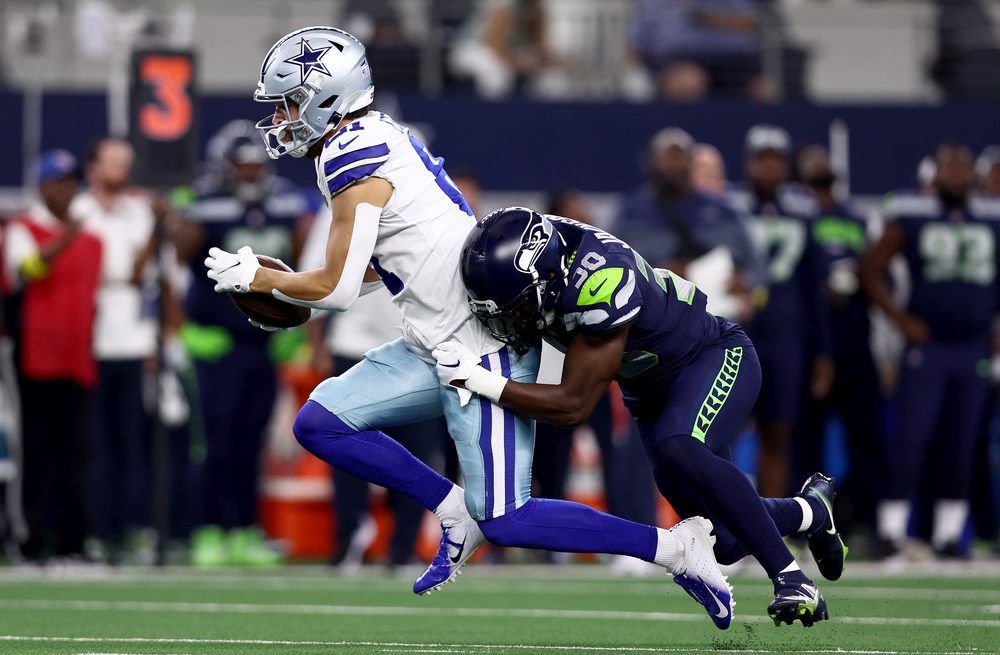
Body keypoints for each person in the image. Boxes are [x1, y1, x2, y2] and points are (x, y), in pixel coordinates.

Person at [204, 26, 730, 626]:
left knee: (508, 518)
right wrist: (290, 284)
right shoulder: (366, 139)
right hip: (435, 339)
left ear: (327, 97)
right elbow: (390, 263)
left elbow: (338, 288)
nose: (280, 117)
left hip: (482, 350)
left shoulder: (351, 154)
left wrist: (261, 278)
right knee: (322, 422)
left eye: (289, 102)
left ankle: (674, 549)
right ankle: (452, 510)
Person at [439, 207, 843, 626]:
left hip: (711, 356)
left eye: (518, 308)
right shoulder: (543, 255)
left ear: (547, 277)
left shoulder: (598, 281)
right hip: (650, 392)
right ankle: (810, 510)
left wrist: (478, 380)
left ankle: (793, 579)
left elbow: (572, 405)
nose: (512, 319)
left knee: (678, 445)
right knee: (721, 537)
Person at [175, 120, 311, 567]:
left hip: (262, 342)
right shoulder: (204, 204)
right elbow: (177, 254)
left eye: (256, 165)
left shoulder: (285, 203)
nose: (251, 174)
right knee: (214, 442)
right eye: (242, 166)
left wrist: (298, 329)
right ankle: (207, 529)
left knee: (251, 442)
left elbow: (305, 254)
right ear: (224, 167)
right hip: (215, 344)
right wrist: (181, 214)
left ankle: (243, 530)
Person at [861, 143, 1000, 559]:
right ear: (934, 177)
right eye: (948, 169)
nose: (956, 176)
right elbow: (869, 269)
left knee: (962, 444)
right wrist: (901, 320)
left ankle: (948, 536)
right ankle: (891, 532)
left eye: (962, 168)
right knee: (910, 440)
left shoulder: (990, 223)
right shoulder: (913, 219)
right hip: (930, 347)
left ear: (972, 177)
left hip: (972, 346)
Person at [301, 208, 448, 569]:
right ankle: (349, 538)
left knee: (418, 454)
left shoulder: (435, 209)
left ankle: (403, 547)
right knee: (347, 452)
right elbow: (316, 274)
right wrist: (317, 343)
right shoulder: (340, 204)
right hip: (354, 345)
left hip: (418, 348)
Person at [2, 150, 102, 562]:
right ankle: (29, 539)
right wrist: (64, 238)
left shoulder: (92, 239)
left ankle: (71, 542)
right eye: (59, 181)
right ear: (42, 186)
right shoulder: (24, 229)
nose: (67, 189)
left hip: (76, 358)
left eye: (72, 181)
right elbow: (21, 273)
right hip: (33, 359)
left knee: (75, 454)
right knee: (34, 452)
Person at [730, 125, 834, 499]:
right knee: (726, 430)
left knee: (778, 433)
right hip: (735, 335)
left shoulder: (803, 211)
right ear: (748, 163)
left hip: (787, 338)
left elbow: (815, 288)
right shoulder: (731, 209)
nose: (769, 169)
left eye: (776, 161)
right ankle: (722, 525)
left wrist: (823, 352)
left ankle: (769, 525)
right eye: (762, 160)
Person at [71, 137, 159, 562]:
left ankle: (131, 530)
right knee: (94, 446)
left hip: (134, 339)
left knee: (132, 445)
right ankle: (95, 531)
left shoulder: (139, 210)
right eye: (111, 161)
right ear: (93, 166)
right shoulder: (78, 213)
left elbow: (148, 276)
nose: (120, 168)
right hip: (92, 341)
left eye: (125, 161)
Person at [794, 145, 884, 539]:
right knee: (805, 436)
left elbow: (880, 276)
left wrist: (858, 280)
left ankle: (863, 521)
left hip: (853, 338)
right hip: (810, 340)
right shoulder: (799, 217)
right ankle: (801, 521)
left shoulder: (856, 219)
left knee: (865, 435)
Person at [615, 128, 763, 325]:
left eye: (680, 157)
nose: (675, 165)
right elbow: (609, 265)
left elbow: (758, 263)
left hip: (718, 320)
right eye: (668, 157)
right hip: (654, 323)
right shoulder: (629, 214)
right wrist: (657, 276)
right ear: (651, 162)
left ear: (691, 161)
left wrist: (745, 283)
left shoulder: (725, 211)